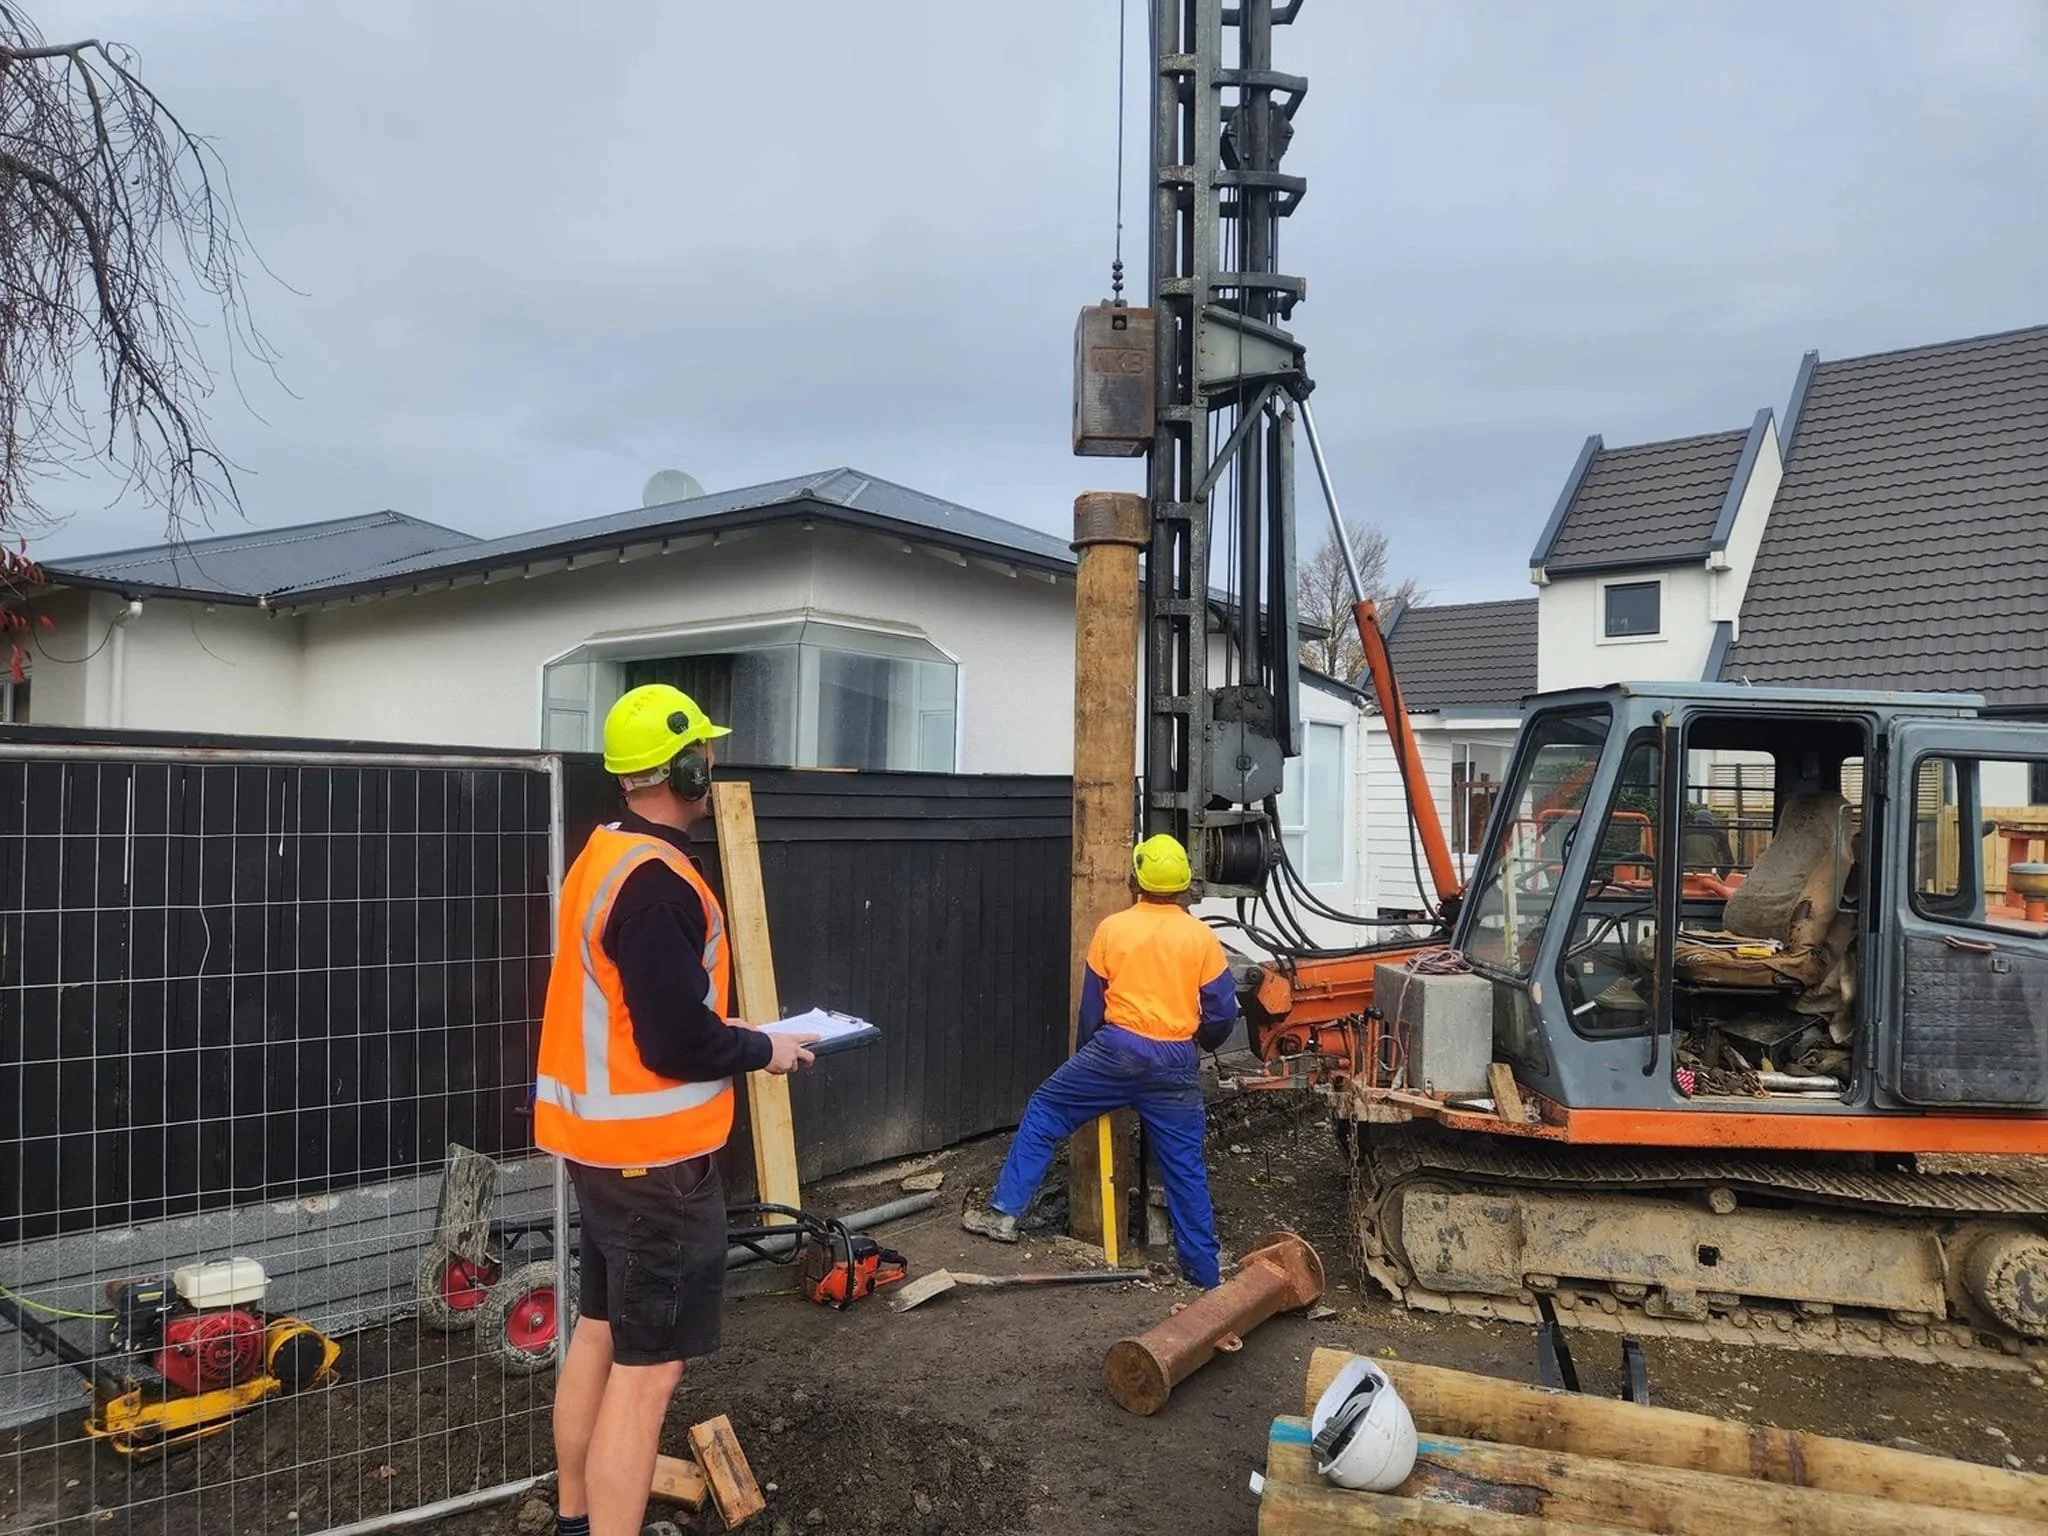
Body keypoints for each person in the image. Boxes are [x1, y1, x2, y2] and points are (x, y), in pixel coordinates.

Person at [534, 683, 818, 1536]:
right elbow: (667, 1043)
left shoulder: (607, 854)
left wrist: (716, 1025)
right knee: (648, 1375)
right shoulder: (659, 885)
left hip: (603, 1152)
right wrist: (759, 1048)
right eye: (706, 751)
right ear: (688, 768)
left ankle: (579, 1519)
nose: (714, 764)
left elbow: (644, 1010)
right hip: (657, 1166)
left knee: (598, 1335)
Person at [962, 833, 1237, 1288]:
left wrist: (1089, 1068)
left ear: (1135, 880)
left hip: (1115, 1052)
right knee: (1185, 1166)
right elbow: (1222, 1013)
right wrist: (1198, 1043)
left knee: (1047, 1108)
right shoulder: (1201, 937)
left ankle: (1004, 1216)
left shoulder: (1113, 929)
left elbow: (1091, 1010)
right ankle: (1204, 1274)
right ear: (1185, 884)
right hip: (1173, 1063)